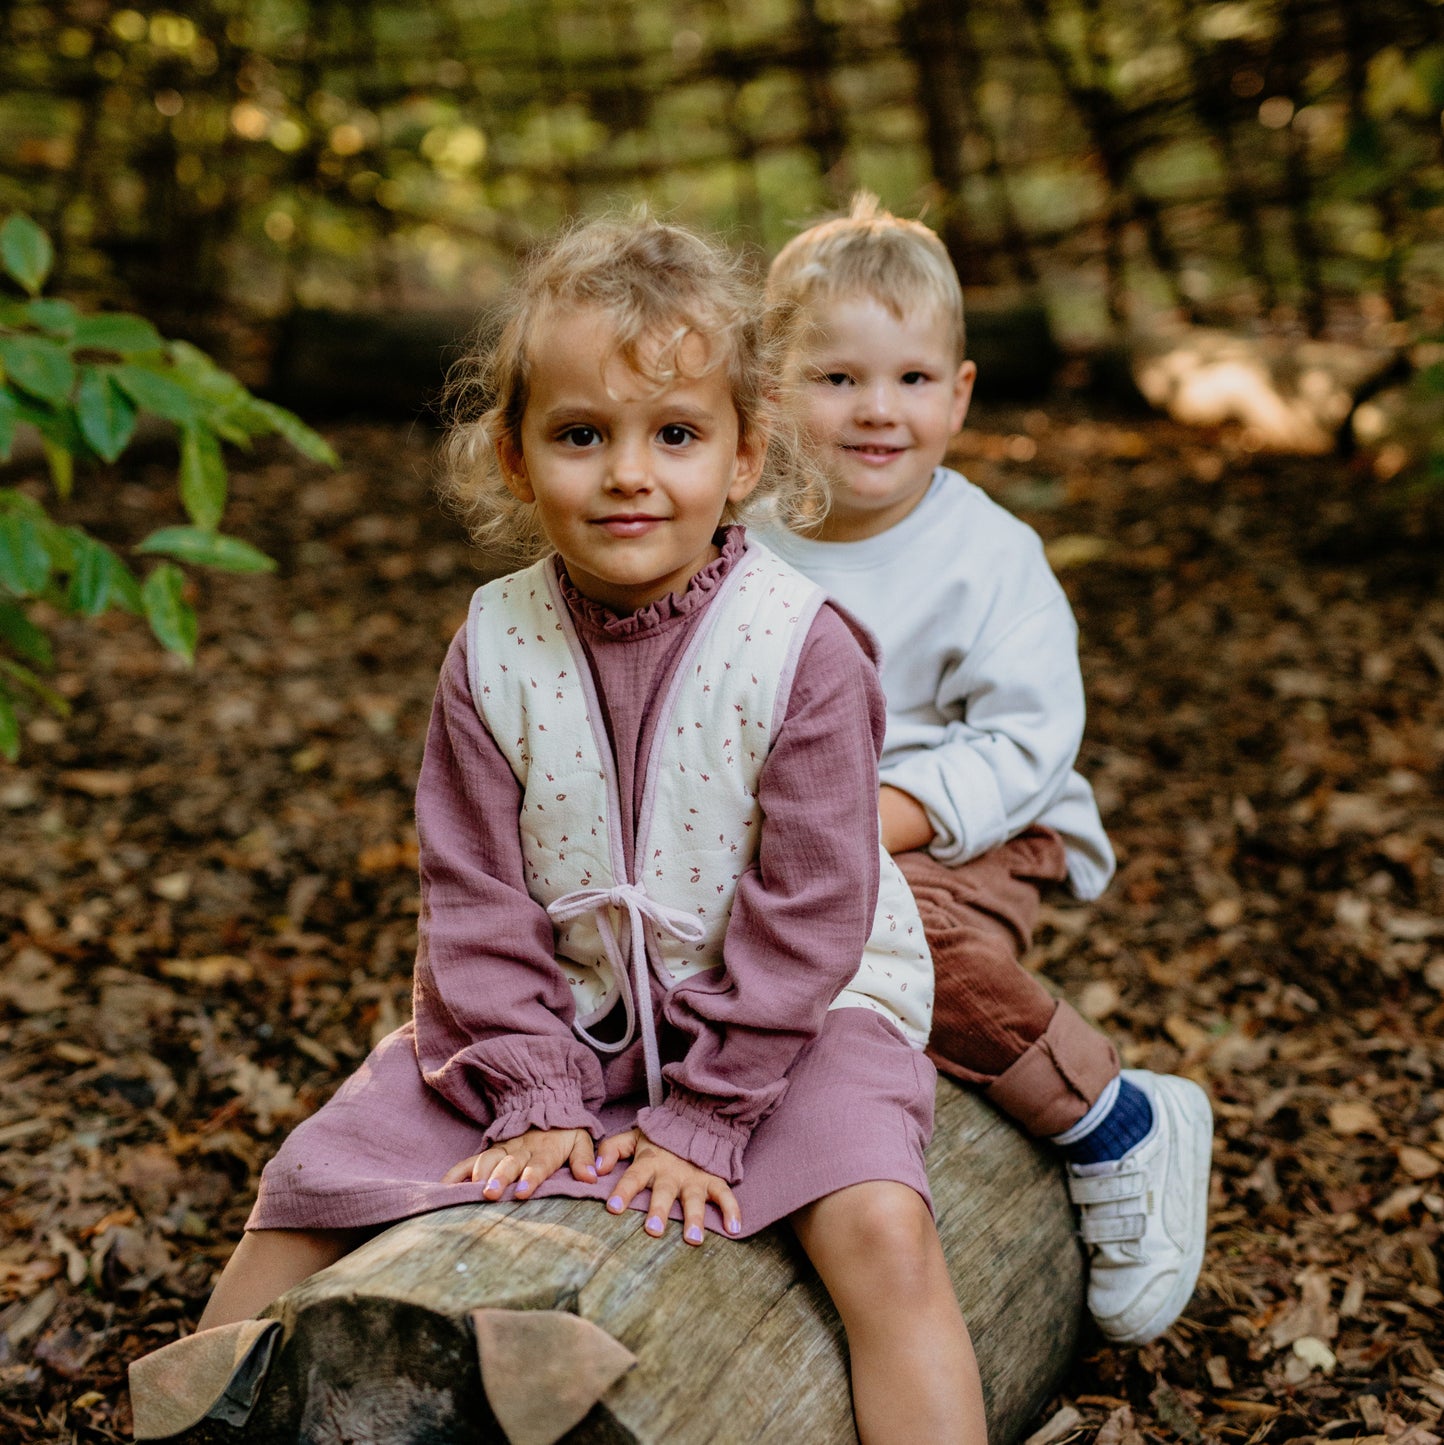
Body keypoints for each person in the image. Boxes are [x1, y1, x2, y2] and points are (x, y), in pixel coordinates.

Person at [188, 215, 987, 1441]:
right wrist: (539, 1083)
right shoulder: (494, 644)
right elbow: (472, 892)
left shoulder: (800, 647)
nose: (628, 472)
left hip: (793, 1017)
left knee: (880, 1224)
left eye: (674, 434)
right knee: (307, 1186)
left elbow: (813, 903)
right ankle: (190, 1410)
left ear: (743, 454)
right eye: (580, 434)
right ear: (514, 456)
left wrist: (711, 1109)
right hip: (560, 1009)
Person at [760, 194, 1213, 1347]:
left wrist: (880, 817)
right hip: (792, 829)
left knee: (874, 920)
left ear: (958, 394)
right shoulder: (742, 537)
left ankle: (1113, 1118)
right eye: (836, 378)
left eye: (911, 380)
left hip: (981, 825)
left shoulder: (987, 553)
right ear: (768, 387)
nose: (876, 410)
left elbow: (1025, 740)